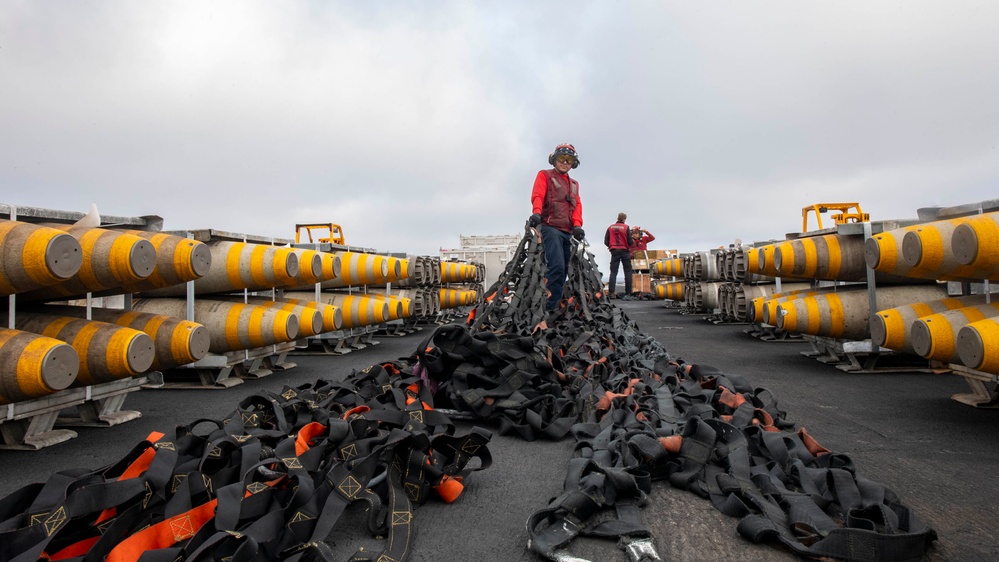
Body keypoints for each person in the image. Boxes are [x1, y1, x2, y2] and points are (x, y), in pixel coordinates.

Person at [528, 143, 585, 310]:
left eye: (569, 159)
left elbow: (577, 206)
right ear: (554, 159)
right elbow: (538, 194)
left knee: (567, 268)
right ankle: (549, 308)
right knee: (557, 267)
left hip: (567, 232)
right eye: (562, 158)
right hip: (550, 228)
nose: (565, 162)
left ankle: (555, 303)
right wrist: (537, 212)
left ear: (573, 163)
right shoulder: (544, 175)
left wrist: (577, 225)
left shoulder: (574, 184)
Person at [604, 212, 632, 298]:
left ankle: (611, 293)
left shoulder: (610, 227)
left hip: (614, 251)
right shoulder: (626, 227)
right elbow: (630, 241)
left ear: (617, 218)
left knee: (613, 272)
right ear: (624, 219)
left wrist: (611, 246)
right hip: (624, 251)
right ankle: (628, 293)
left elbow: (606, 241)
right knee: (627, 272)